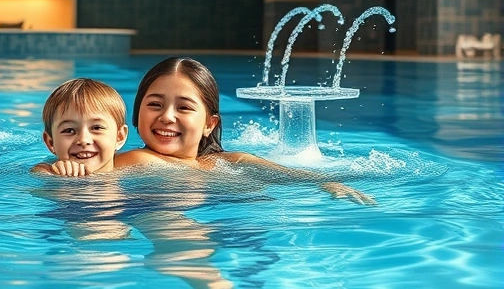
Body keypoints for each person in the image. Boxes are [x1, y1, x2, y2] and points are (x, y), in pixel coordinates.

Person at [115, 57, 375, 205]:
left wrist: (323, 182)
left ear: (210, 124)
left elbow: (288, 175)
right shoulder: (135, 161)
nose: (167, 116)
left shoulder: (230, 161)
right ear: (137, 113)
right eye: (155, 105)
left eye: (184, 107)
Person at [32, 78, 129, 176]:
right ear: (51, 142)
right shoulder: (49, 175)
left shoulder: (138, 173)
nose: (83, 140)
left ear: (119, 137)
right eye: (69, 130)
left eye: (96, 128)